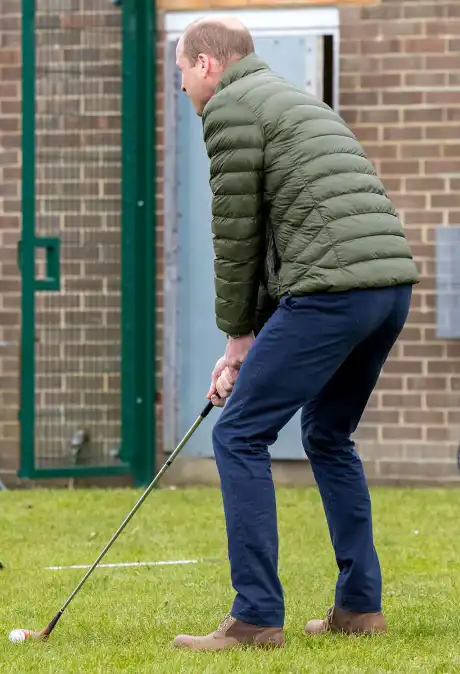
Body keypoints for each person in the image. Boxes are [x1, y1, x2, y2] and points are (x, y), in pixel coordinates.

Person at [170, 16, 420, 651]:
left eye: (181, 73)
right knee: (327, 433)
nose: (182, 89)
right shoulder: (294, 98)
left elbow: (236, 235)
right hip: (387, 289)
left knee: (240, 433)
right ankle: (359, 608)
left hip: (332, 293)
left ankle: (254, 616)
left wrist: (235, 339)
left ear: (205, 65)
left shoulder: (229, 108)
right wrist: (250, 336)